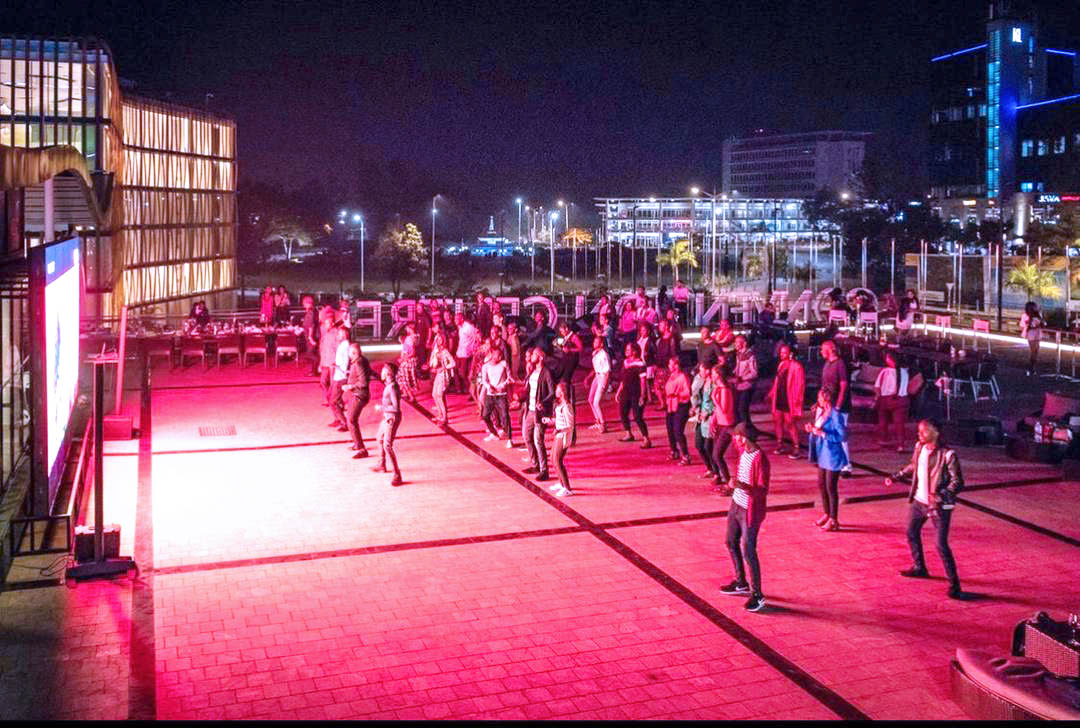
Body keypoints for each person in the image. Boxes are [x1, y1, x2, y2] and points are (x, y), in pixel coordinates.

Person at [885, 419, 964, 599]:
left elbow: (958, 482)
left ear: (935, 433)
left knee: (940, 544)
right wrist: (896, 476)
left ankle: (955, 585)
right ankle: (919, 567)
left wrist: (941, 494)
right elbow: (914, 465)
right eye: (919, 431)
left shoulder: (948, 454)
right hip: (919, 501)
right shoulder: (919, 447)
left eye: (923, 431)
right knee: (911, 532)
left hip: (941, 505)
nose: (919, 434)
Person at [719, 423, 770, 612]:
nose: (734, 439)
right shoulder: (743, 453)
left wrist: (741, 485)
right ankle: (741, 582)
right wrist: (734, 487)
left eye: (737, 436)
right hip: (736, 504)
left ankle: (758, 594)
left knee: (748, 550)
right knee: (730, 541)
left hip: (750, 509)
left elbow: (762, 490)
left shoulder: (760, 458)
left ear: (744, 437)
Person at [806, 387, 849, 531]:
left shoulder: (836, 415)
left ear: (826, 399)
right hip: (822, 454)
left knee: (831, 487)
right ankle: (827, 513)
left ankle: (834, 519)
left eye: (820, 397)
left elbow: (842, 436)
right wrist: (812, 429)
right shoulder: (822, 412)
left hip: (832, 455)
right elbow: (819, 429)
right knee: (822, 485)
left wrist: (823, 434)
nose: (818, 400)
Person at [819, 340, 853, 477]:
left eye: (823, 349)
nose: (821, 351)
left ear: (830, 349)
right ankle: (830, 461)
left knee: (840, 436)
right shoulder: (827, 364)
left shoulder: (840, 364)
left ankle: (846, 466)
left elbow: (844, 386)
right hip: (827, 405)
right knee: (827, 433)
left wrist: (838, 405)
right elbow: (824, 386)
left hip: (839, 406)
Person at [522, 347, 555, 481]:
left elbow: (552, 392)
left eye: (534, 354)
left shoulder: (546, 372)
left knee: (538, 440)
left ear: (540, 357)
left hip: (540, 412)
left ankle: (544, 470)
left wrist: (543, 402)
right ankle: (535, 464)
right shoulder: (532, 371)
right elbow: (527, 389)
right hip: (530, 410)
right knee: (526, 437)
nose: (531, 357)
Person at [768, 344, 805, 458]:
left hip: (789, 399)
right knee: (777, 421)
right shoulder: (781, 365)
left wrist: (797, 401)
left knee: (790, 424)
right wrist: (771, 393)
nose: (782, 355)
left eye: (784, 352)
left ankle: (796, 448)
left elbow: (800, 385)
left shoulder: (796, 366)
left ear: (790, 353)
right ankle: (780, 444)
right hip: (779, 397)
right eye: (781, 352)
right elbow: (777, 381)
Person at [372, 362, 404, 486]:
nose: (381, 372)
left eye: (383, 370)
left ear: (388, 373)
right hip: (387, 417)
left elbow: (396, 407)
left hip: (392, 418)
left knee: (387, 445)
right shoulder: (389, 385)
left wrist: (382, 407)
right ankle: (381, 464)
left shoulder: (392, 388)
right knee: (379, 437)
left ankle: (397, 475)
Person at [616, 342, 652, 448]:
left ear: (635, 351)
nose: (626, 351)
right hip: (626, 392)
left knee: (637, 416)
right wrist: (618, 391)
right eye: (626, 349)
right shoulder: (625, 362)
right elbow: (623, 379)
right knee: (623, 413)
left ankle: (646, 438)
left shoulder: (640, 364)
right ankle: (628, 433)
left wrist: (643, 395)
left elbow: (643, 381)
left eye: (629, 349)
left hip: (636, 393)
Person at [543, 382, 576, 497]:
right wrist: (550, 420)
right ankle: (561, 483)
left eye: (557, 390)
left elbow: (570, 425)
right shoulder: (560, 405)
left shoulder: (567, 406)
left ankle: (567, 488)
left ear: (562, 392)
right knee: (553, 459)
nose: (555, 392)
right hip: (559, 435)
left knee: (557, 460)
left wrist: (559, 430)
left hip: (563, 436)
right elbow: (559, 420)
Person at [874, 350, 911, 452]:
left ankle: (883, 439)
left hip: (886, 399)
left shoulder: (885, 371)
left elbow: (877, 387)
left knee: (883, 420)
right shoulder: (904, 372)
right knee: (899, 424)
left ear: (890, 360)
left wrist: (877, 397)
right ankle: (900, 444)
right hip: (901, 399)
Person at [342, 342, 373, 458]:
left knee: (351, 420)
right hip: (359, 395)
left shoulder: (358, 363)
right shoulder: (362, 360)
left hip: (360, 396)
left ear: (354, 353)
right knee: (351, 419)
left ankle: (361, 449)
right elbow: (369, 372)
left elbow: (363, 382)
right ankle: (357, 444)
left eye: (349, 352)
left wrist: (350, 386)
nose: (348, 354)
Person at [710, 364, 737, 492]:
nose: (711, 375)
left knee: (717, 455)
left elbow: (724, 409)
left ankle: (729, 482)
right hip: (720, 425)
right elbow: (717, 411)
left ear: (719, 375)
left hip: (727, 426)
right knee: (715, 454)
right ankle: (725, 480)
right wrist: (713, 420)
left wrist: (714, 399)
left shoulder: (725, 390)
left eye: (713, 373)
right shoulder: (718, 389)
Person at [480, 346, 514, 448]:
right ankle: (494, 433)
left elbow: (509, 377)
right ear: (492, 354)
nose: (499, 357)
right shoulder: (485, 366)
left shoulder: (504, 364)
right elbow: (484, 380)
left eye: (500, 355)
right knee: (485, 416)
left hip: (501, 395)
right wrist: (488, 387)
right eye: (497, 355)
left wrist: (503, 386)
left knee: (505, 416)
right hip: (490, 395)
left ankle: (509, 439)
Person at [691, 361, 718, 480]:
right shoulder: (702, 381)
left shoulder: (714, 384)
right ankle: (710, 468)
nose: (700, 373)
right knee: (698, 444)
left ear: (708, 371)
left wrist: (708, 412)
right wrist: (695, 407)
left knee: (708, 447)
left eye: (702, 370)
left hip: (710, 418)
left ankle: (717, 472)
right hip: (701, 417)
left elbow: (716, 402)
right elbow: (696, 395)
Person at [663, 357, 692, 465]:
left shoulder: (683, 377)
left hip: (681, 405)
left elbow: (688, 392)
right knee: (670, 429)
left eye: (671, 364)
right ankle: (674, 451)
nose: (669, 366)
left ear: (676, 365)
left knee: (678, 430)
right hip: (671, 405)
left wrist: (676, 394)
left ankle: (686, 455)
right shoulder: (671, 376)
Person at [328, 328, 352, 434]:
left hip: (341, 377)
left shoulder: (345, 346)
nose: (337, 335)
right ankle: (339, 419)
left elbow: (344, 364)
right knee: (333, 399)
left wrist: (336, 366)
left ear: (344, 335)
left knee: (334, 401)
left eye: (339, 333)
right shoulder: (342, 345)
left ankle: (344, 422)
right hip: (338, 376)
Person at [428, 334, 456, 426]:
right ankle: (440, 414)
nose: (438, 341)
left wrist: (444, 368)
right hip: (438, 374)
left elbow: (453, 363)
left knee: (440, 395)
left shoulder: (445, 351)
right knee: (434, 394)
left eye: (440, 339)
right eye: (437, 339)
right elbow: (433, 362)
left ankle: (445, 418)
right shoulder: (436, 351)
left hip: (443, 375)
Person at [732, 335, 758, 432]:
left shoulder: (750, 355)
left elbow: (754, 373)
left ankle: (748, 431)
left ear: (744, 343)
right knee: (738, 410)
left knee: (742, 409)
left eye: (737, 342)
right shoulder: (738, 353)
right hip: (739, 386)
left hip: (747, 386)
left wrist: (742, 378)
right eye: (735, 342)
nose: (735, 344)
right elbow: (737, 368)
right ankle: (746, 430)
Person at [586, 336, 611, 432]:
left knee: (596, 402)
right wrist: (588, 378)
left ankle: (603, 424)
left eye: (596, 342)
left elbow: (607, 371)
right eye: (594, 341)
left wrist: (605, 384)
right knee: (590, 399)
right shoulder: (595, 353)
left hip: (603, 376)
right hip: (597, 376)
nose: (594, 343)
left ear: (601, 344)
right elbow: (595, 368)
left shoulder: (604, 355)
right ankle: (598, 421)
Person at [555, 320, 583, 402]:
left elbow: (580, 348)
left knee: (566, 378)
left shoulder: (574, 337)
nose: (561, 333)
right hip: (565, 359)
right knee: (560, 375)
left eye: (562, 331)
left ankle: (568, 398)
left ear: (566, 329)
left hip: (572, 360)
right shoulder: (566, 337)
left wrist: (570, 350)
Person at [319, 320, 344, 408]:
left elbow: (338, 349)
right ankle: (328, 399)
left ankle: (338, 401)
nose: (325, 325)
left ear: (332, 324)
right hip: (325, 362)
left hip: (333, 362)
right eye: (324, 323)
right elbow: (322, 349)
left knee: (334, 383)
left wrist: (338, 362)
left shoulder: (336, 334)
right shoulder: (325, 334)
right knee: (323, 381)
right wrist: (320, 363)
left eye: (327, 323)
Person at [455, 312, 480, 395]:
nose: (455, 320)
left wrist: (474, 346)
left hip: (466, 354)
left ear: (462, 319)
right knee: (455, 370)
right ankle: (460, 389)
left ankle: (471, 391)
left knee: (464, 374)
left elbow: (477, 334)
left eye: (457, 319)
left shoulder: (468, 327)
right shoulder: (460, 327)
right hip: (459, 352)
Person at [397, 322, 420, 403]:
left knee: (404, 378)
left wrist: (403, 358)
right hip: (409, 360)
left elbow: (412, 352)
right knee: (402, 376)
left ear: (410, 329)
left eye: (407, 328)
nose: (406, 329)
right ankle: (406, 392)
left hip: (408, 361)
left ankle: (411, 396)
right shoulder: (415, 337)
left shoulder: (410, 338)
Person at [1020, 301, 1044, 376]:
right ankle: (1030, 367)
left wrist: (1040, 323)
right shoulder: (1025, 315)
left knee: (1036, 350)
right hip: (1031, 333)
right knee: (1033, 350)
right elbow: (1023, 325)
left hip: (1037, 332)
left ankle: (1032, 366)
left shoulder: (1038, 315)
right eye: (1034, 307)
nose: (1035, 308)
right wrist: (1030, 324)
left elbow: (1042, 323)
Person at [300, 295, 319, 376]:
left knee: (310, 354)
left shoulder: (310, 312)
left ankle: (315, 370)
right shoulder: (313, 311)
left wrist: (310, 337)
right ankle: (314, 371)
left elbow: (311, 326)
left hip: (310, 336)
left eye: (304, 303)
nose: (303, 305)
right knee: (312, 353)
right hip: (312, 335)